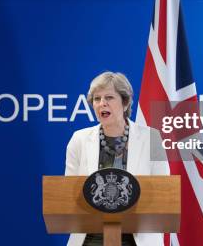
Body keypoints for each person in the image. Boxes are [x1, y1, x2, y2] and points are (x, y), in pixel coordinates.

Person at [65, 71, 170, 246]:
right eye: (96, 99)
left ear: (125, 102)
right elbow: (68, 194)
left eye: (109, 97)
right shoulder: (79, 139)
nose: (101, 104)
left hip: (137, 238)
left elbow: (164, 193)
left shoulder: (152, 138)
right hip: (90, 238)